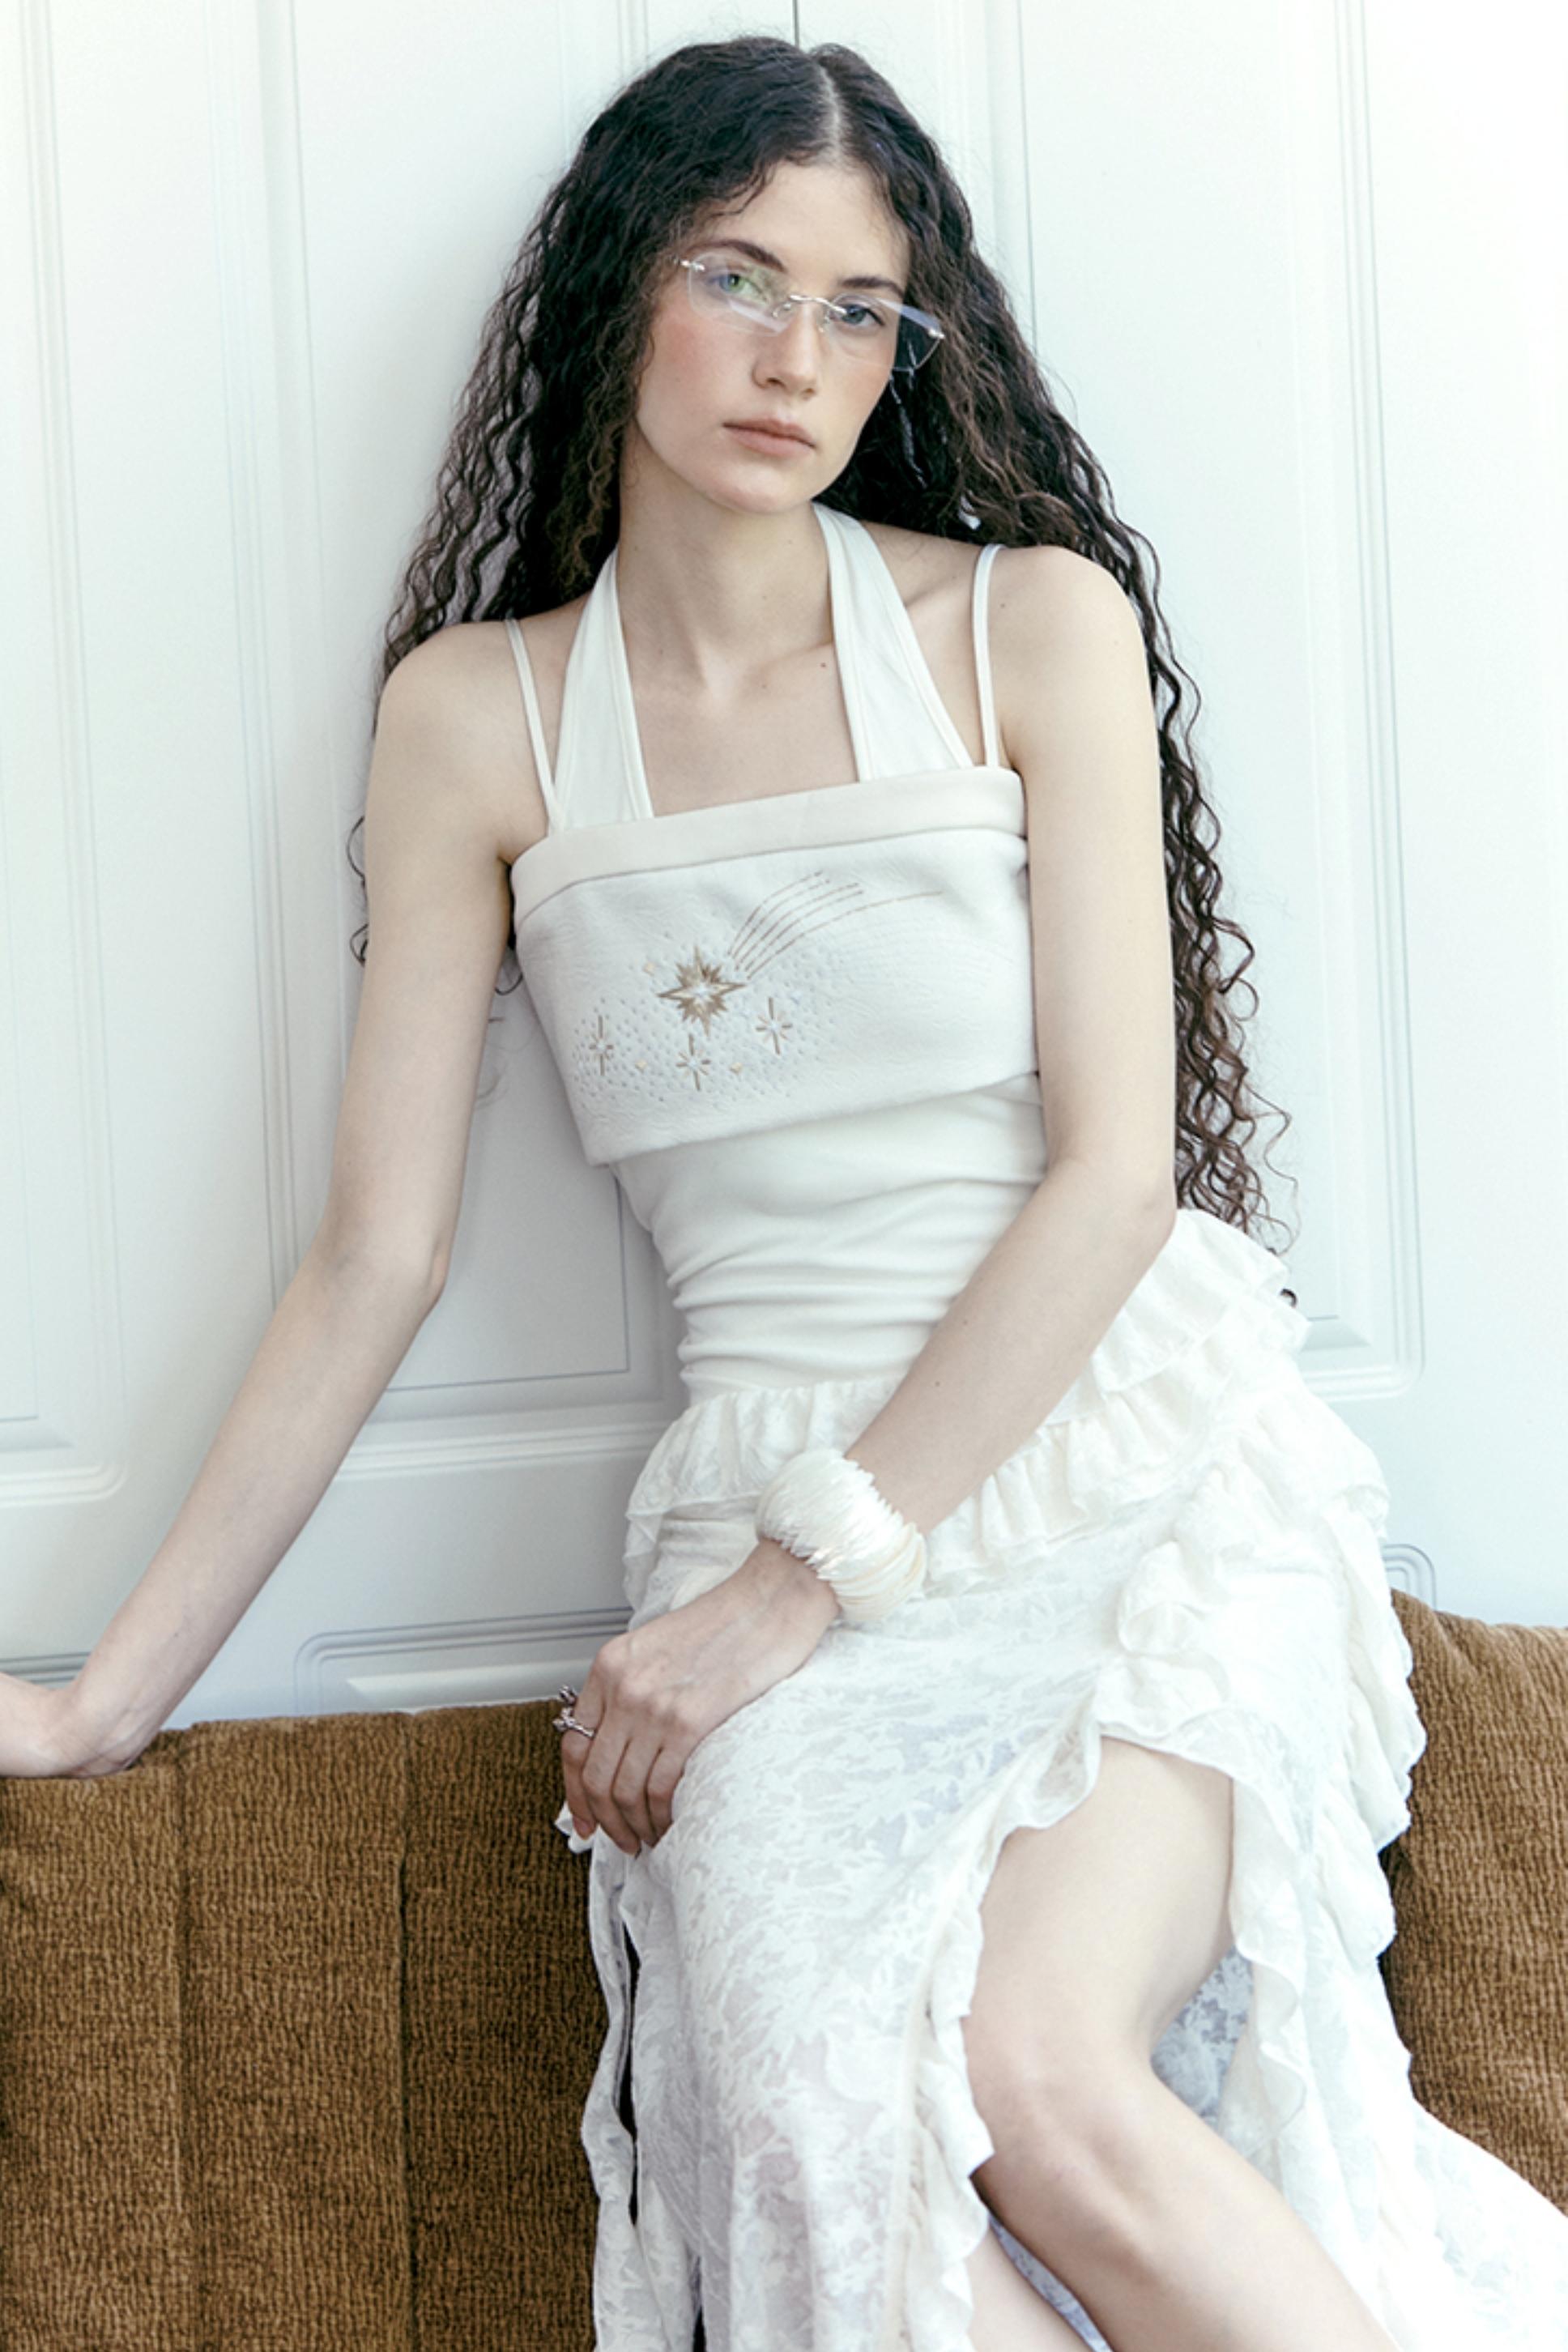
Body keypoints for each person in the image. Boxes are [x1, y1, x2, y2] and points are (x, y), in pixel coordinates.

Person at [4, 29, 1565, 2352]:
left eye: (858, 309)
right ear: (619, 285)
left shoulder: (1029, 625)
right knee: (828, 2137)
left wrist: (790, 1588)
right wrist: (95, 1707)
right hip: (757, 1504)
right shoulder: (474, 718)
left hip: (1110, 1466)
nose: (796, 359)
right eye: (739, 278)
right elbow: (375, 1256)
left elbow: (1116, 1183)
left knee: (1036, 2074)